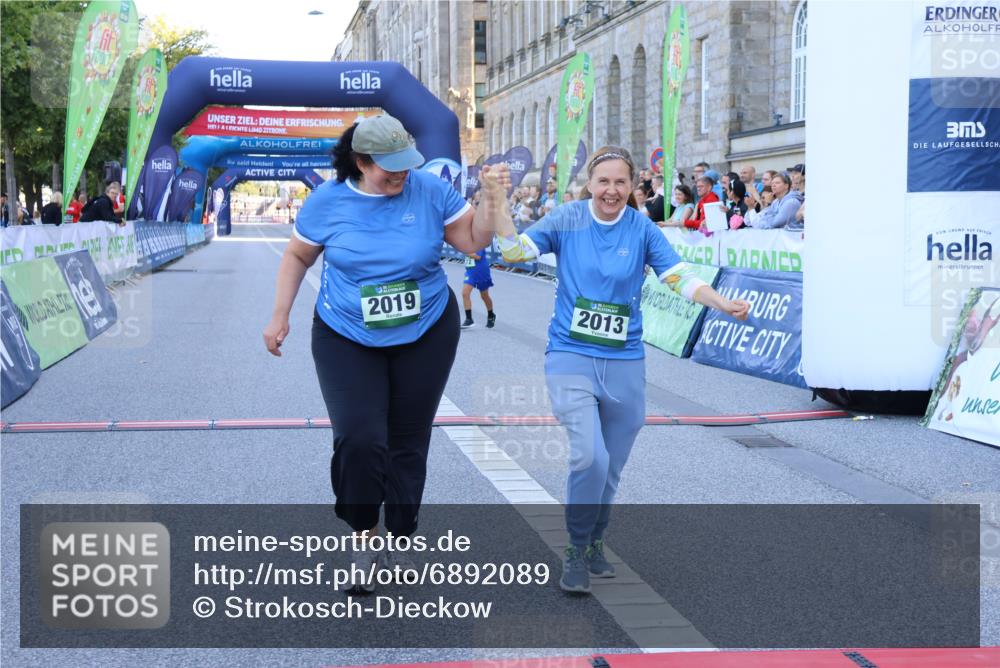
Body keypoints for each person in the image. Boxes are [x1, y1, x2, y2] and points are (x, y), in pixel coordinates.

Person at [262, 114, 506, 594]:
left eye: (404, 166)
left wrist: (493, 200)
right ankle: (363, 533)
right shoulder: (328, 202)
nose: (399, 176)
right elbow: (296, 256)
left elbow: (473, 241)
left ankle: (396, 530)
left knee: (407, 441)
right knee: (359, 438)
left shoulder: (429, 191)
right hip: (345, 331)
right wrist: (279, 315)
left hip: (427, 329)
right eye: (388, 169)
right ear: (359, 161)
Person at [490, 146, 749, 594]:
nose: (611, 190)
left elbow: (678, 276)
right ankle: (574, 547)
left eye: (620, 182)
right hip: (571, 355)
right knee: (588, 455)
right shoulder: (568, 218)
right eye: (603, 181)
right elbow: (513, 251)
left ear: (632, 186)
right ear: (590, 183)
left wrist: (720, 301)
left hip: (625, 361)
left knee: (610, 466)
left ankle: (594, 540)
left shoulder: (641, 228)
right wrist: (495, 202)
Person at [460, 247, 496, 329]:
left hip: (481, 271)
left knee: (484, 296)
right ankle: (469, 319)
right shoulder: (465, 243)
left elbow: (477, 256)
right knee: (465, 293)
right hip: (470, 272)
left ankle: (491, 314)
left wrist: (464, 250)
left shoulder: (478, 242)